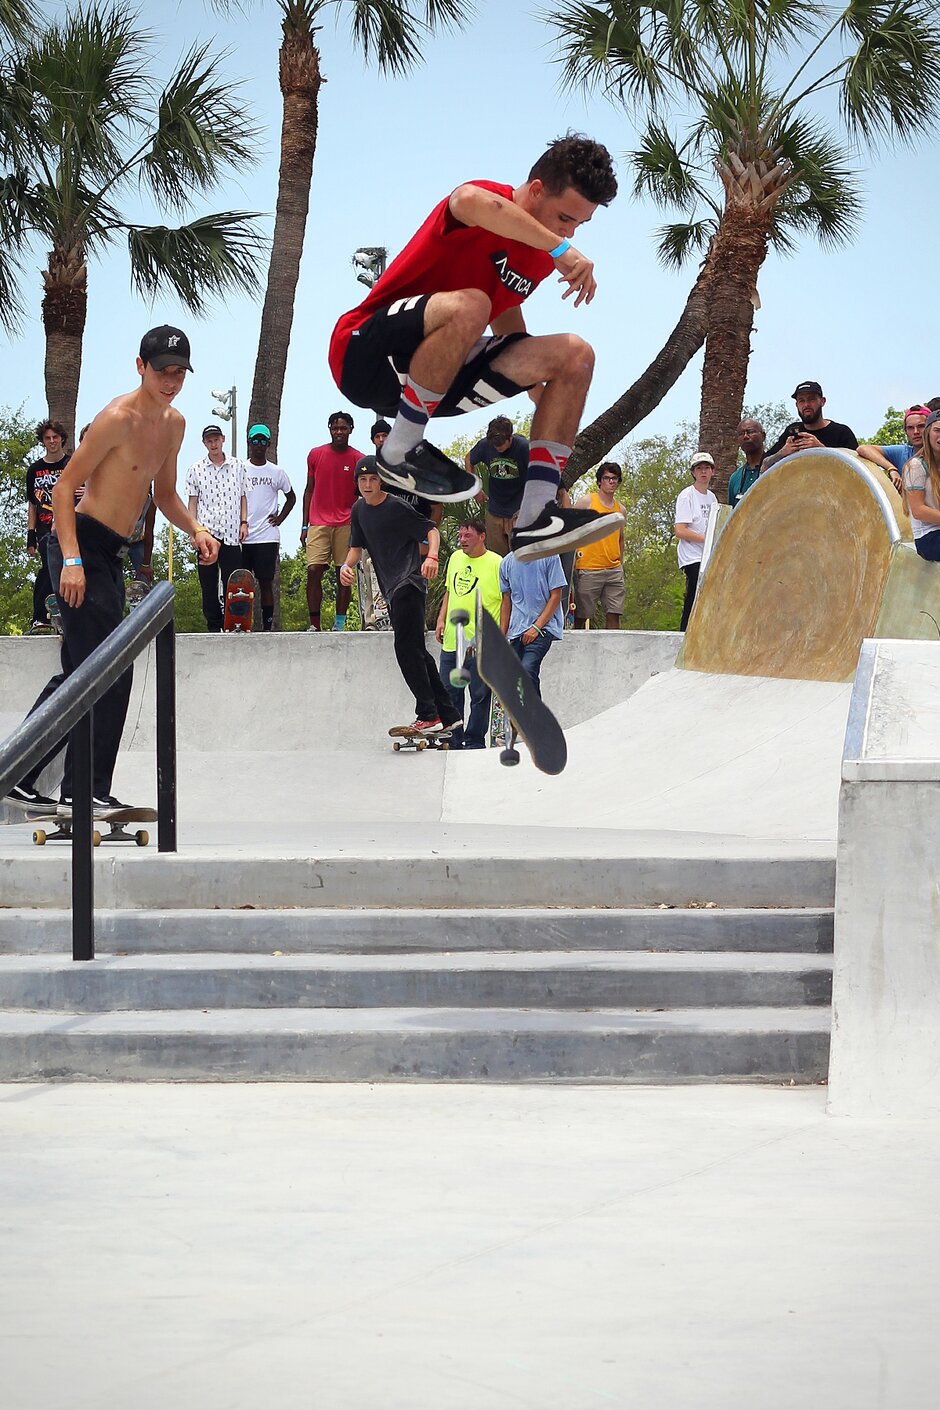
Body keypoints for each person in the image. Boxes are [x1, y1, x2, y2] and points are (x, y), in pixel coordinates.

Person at [328, 133, 624, 560]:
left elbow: (505, 312)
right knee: (472, 304)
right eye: (564, 218)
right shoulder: (486, 202)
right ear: (536, 190)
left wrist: (536, 383)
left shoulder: (538, 258)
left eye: (578, 225)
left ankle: (536, 516)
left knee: (576, 355)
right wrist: (559, 246)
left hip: (431, 378)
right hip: (363, 355)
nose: (569, 232)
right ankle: (401, 447)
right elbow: (466, 199)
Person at [5, 325, 218, 815]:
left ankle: (19, 772)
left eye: (179, 372)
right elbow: (63, 489)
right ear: (140, 367)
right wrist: (71, 560)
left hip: (112, 553)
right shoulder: (116, 419)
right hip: (79, 544)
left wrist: (196, 528)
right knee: (108, 670)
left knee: (82, 669)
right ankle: (83, 791)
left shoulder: (176, 424)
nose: (171, 381)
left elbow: (165, 494)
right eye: (162, 371)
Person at [339, 459, 461, 735]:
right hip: (392, 589)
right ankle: (448, 714)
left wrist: (432, 556)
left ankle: (427, 714)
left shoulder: (395, 506)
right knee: (416, 650)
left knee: (405, 649)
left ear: (381, 481)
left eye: (373, 480)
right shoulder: (359, 510)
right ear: (357, 483)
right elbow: (356, 548)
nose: (368, 485)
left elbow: (431, 530)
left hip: (409, 583)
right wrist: (346, 566)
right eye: (363, 480)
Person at [435, 518, 502, 748]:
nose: (462, 540)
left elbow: (507, 600)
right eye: (460, 536)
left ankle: (474, 740)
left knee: (479, 695)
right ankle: (453, 739)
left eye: (468, 536)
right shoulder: (455, 558)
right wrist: (441, 619)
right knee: (449, 692)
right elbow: (449, 591)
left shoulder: (497, 563)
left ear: (482, 537)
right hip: (453, 639)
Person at [185, 424, 248, 632]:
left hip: (230, 531)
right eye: (209, 441)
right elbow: (192, 502)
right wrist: (193, 530)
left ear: (223, 440)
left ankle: (233, 622)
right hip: (207, 532)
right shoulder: (196, 469)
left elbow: (243, 496)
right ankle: (213, 624)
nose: (213, 444)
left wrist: (244, 522)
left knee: (233, 581)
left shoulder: (238, 466)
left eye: (216, 440)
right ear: (204, 443)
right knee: (208, 583)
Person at [302, 411, 362, 631]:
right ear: (329, 429)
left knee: (343, 573)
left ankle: (339, 624)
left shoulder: (358, 459)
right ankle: (314, 624)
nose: (339, 432)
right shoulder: (316, 454)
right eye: (335, 428)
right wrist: (304, 524)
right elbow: (309, 490)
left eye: (343, 428)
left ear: (351, 430)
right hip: (318, 522)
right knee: (313, 570)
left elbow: (364, 494)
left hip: (346, 523)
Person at [241, 423, 296, 632]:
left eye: (263, 440)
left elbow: (291, 497)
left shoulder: (276, 472)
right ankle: (241, 623)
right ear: (249, 442)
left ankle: (267, 625)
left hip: (267, 536)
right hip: (244, 536)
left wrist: (280, 518)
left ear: (269, 444)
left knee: (265, 582)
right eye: (255, 440)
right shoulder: (240, 469)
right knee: (242, 583)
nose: (259, 444)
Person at [498, 550, 566, 696]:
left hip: (544, 628)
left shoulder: (549, 556)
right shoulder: (506, 562)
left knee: (527, 670)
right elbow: (506, 599)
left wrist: (536, 627)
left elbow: (556, 596)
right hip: (517, 630)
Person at [25, 420, 71, 631]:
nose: (52, 441)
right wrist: (30, 535)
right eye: (47, 438)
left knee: (67, 567)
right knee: (48, 567)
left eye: (55, 437)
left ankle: (67, 612)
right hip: (44, 529)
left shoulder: (71, 464)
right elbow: (32, 505)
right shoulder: (35, 470)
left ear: (62, 438)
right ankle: (40, 616)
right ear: (43, 441)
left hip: (70, 526)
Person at [571, 462, 625, 629]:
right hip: (588, 568)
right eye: (607, 478)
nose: (611, 482)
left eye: (614, 478)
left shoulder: (621, 509)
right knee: (582, 615)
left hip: (613, 569)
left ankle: (613, 645)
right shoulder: (587, 502)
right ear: (600, 481)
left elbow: (620, 538)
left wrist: (620, 561)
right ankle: (578, 644)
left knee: (614, 614)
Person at [466, 415, 528, 555]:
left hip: (519, 511)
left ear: (510, 438)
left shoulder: (524, 447)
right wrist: (475, 488)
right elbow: (469, 458)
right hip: (495, 510)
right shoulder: (485, 445)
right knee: (496, 558)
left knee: (520, 557)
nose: (498, 448)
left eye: (501, 445)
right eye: (495, 445)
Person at [761, 381, 858, 471]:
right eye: (801, 400)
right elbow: (764, 466)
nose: (806, 404)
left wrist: (821, 450)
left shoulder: (842, 432)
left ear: (822, 401)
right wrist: (782, 453)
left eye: (811, 399)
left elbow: (856, 470)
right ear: (797, 405)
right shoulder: (791, 431)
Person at [675, 452, 718, 632]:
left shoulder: (712, 498)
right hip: (692, 556)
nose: (703, 472)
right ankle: (685, 632)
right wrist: (707, 539)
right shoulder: (687, 496)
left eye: (706, 468)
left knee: (707, 596)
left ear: (712, 471)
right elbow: (680, 530)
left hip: (707, 555)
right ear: (693, 472)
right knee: (693, 594)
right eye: (699, 468)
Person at [858, 406, 930, 492]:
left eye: (921, 426)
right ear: (905, 431)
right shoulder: (903, 453)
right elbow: (863, 449)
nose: (916, 432)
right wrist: (892, 469)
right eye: (910, 428)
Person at [902, 410, 940, 561]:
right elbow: (918, 511)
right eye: (937, 430)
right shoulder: (916, 465)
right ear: (928, 434)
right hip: (928, 536)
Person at [728, 419, 766, 508]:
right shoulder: (735, 477)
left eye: (750, 432)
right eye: (741, 434)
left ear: (763, 436)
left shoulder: (775, 469)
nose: (745, 436)